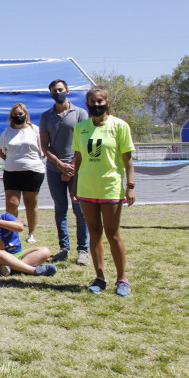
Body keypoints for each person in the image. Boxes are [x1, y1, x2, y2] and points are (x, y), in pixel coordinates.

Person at [72, 85, 136, 297]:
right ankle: (100, 277)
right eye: (92, 102)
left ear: (107, 103)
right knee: (94, 233)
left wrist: (130, 186)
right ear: (87, 104)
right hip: (87, 188)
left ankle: (122, 279)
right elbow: (78, 158)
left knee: (113, 234)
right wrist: (75, 185)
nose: (96, 105)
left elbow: (128, 160)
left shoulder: (120, 126)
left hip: (111, 188)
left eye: (100, 101)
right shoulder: (81, 128)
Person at [39, 79, 91, 265]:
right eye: (54, 91)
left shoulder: (80, 113)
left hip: (77, 168)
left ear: (67, 91)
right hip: (54, 169)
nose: (57, 93)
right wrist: (59, 164)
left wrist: (72, 167)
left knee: (80, 210)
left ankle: (83, 250)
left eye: (60, 90)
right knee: (60, 209)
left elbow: (84, 143)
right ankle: (64, 248)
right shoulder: (46, 116)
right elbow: (45, 146)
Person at [0, 103, 46, 244]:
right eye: (15, 114)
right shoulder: (7, 132)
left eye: (21, 114)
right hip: (12, 172)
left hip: (33, 171)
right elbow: (0, 149)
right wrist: (11, 160)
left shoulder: (35, 130)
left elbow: (43, 149)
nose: (18, 116)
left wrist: (31, 161)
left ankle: (32, 233)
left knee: (31, 203)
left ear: (26, 114)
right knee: (12, 203)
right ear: (11, 116)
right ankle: (11, 231)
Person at [0, 202, 56, 277]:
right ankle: (33, 270)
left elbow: (20, 227)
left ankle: (11, 269)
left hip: (17, 254)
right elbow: (0, 247)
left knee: (45, 251)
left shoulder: (6, 216)